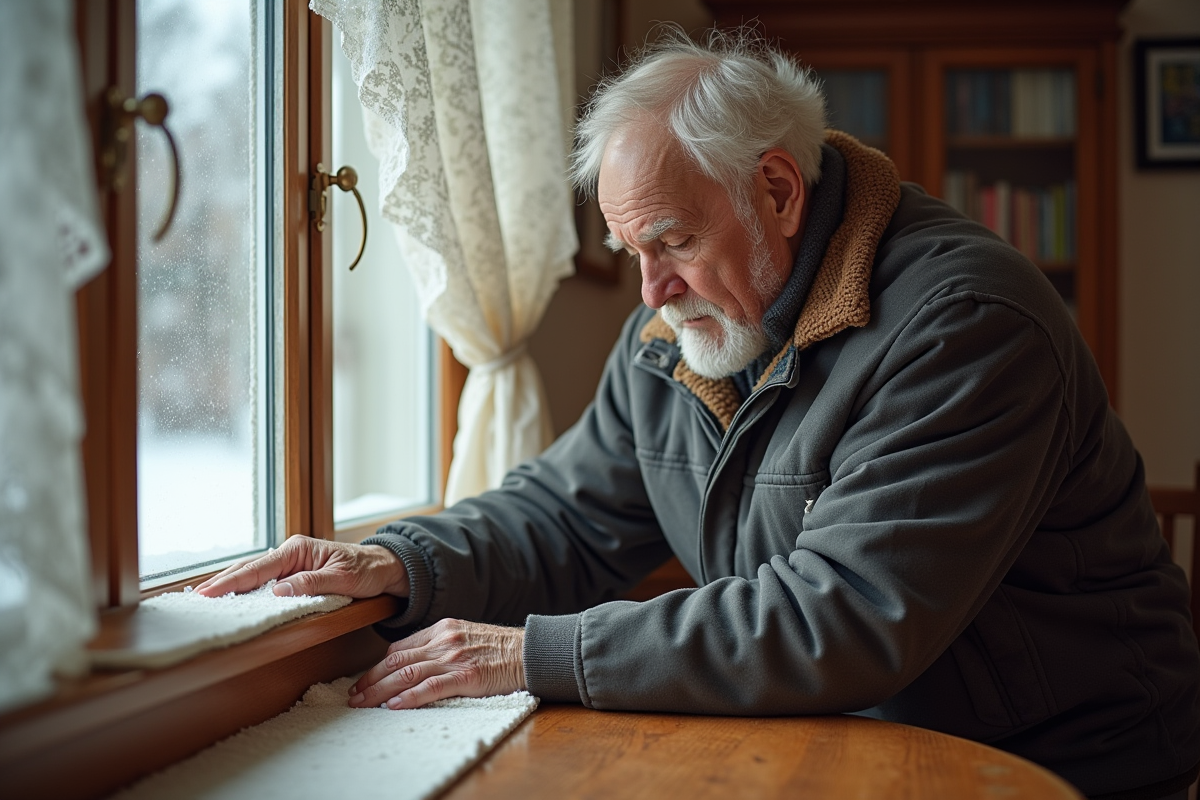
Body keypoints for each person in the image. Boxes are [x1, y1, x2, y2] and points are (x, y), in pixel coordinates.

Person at [197, 28, 1200, 799]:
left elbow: (841, 615)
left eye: (670, 242)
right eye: (632, 249)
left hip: (1055, 762)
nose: (648, 292)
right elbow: (563, 515)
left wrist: (532, 651)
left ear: (776, 189)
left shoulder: (966, 323)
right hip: (852, 734)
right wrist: (400, 561)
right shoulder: (684, 329)